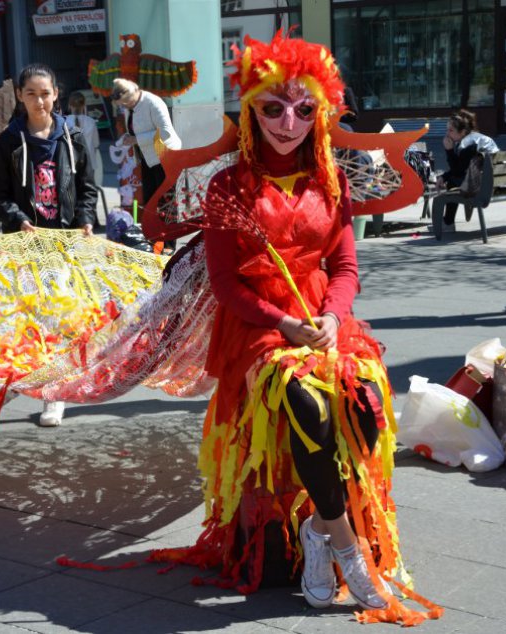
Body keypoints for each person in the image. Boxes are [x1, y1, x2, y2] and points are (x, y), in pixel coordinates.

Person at [151, 33, 434, 624]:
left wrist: (330, 316)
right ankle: (345, 545)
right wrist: (284, 323)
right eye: (273, 107)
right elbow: (226, 283)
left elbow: (346, 266)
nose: (288, 122)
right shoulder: (227, 187)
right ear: (251, 109)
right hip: (258, 325)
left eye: (305, 109)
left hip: (324, 318)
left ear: (321, 113)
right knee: (306, 401)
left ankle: (317, 529)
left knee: (361, 399)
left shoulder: (330, 180)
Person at [0, 63, 98, 427]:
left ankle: (54, 394)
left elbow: (87, 187)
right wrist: (18, 219)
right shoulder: (9, 140)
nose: (39, 101)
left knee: (57, 318)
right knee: (25, 318)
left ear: (56, 94)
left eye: (45, 93)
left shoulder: (72, 136)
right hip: (24, 244)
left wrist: (85, 219)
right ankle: (20, 378)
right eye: (31, 94)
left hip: (62, 244)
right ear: (20, 96)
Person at [111, 78, 181, 251]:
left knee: (166, 202)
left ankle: (169, 245)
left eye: (127, 102)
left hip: (166, 157)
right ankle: (155, 240)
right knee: (150, 201)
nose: (126, 106)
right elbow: (134, 128)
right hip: (148, 158)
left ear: (134, 91)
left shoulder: (153, 103)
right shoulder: (130, 106)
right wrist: (128, 139)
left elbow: (165, 133)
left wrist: (136, 139)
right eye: (123, 104)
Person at [430, 109, 499, 237]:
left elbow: (457, 172)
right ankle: (448, 222)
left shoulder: (467, 146)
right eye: (447, 130)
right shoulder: (478, 138)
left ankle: (448, 222)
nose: (447, 133)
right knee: (452, 179)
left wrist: (449, 150)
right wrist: (443, 176)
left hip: (481, 187)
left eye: (451, 130)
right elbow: (461, 168)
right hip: (495, 182)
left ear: (462, 132)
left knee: (452, 183)